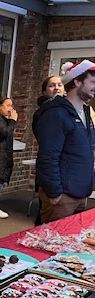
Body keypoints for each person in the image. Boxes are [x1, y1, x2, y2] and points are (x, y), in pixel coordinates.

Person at [34, 60, 95, 224]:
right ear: (77, 82)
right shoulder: (56, 114)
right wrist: (55, 194)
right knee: (50, 239)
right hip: (62, 197)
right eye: (92, 82)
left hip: (81, 194)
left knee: (71, 240)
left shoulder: (85, 113)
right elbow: (48, 157)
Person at [31, 75, 65, 225]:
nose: (56, 88)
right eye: (52, 85)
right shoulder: (43, 113)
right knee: (46, 216)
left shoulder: (71, 110)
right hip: (51, 168)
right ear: (44, 91)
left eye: (60, 85)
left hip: (67, 170)